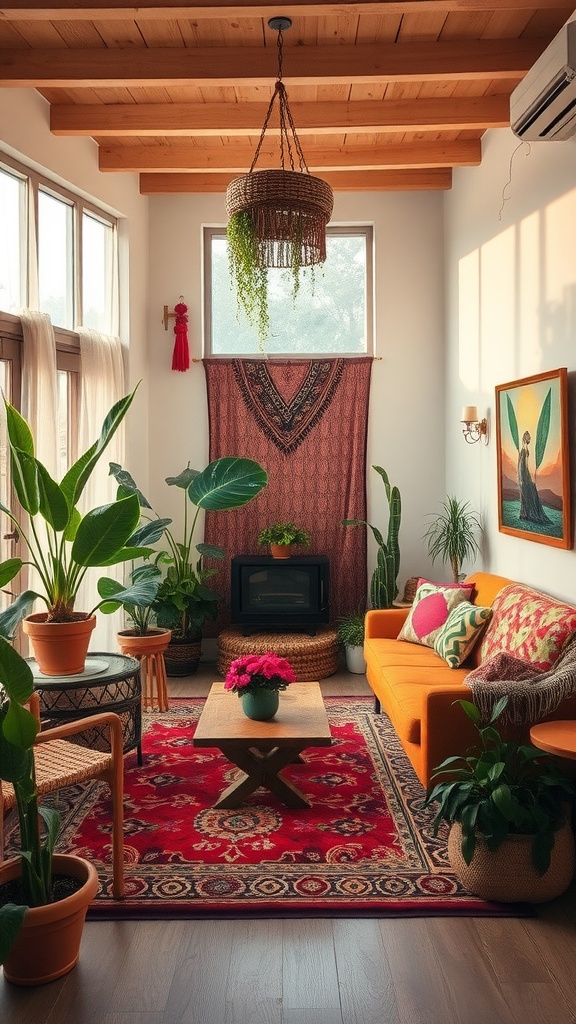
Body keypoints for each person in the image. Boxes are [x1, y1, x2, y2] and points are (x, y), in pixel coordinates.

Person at [518, 430, 551, 524]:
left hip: (523, 473)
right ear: (525, 438)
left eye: (530, 438)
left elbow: (521, 463)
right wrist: (527, 476)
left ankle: (525, 513)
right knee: (530, 491)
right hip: (524, 473)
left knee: (527, 492)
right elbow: (525, 464)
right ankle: (528, 513)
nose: (529, 439)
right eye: (528, 437)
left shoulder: (523, 448)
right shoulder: (525, 449)